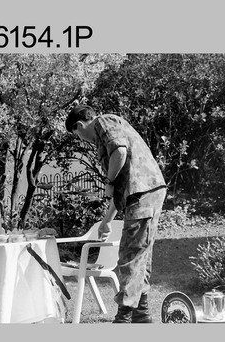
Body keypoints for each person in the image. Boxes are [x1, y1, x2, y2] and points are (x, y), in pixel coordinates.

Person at [65, 105, 167, 323]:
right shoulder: (107, 140)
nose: (83, 140)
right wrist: (106, 222)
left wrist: (108, 182)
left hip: (144, 191)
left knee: (130, 256)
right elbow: (119, 188)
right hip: (142, 193)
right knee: (140, 256)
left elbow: (119, 153)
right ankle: (141, 315)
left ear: (80, 125)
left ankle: (124, 317)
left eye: (78, 135)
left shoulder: (103, 122)